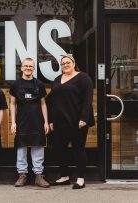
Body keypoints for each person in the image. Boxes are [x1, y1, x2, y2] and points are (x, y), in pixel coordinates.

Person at [48, 54, 95, 189]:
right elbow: (52, 101)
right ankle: (64, 176)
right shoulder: (57, 79)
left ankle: (80, 179)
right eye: (63, 63)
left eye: (68, 62)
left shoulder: (83, 78)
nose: (65, 65)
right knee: (59, 149)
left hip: (77, 121)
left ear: (74, 64)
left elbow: (88, 100)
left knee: (78, 149)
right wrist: (51, 120)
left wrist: (84, 118)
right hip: (59, 122)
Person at [9, 57, 50, 188]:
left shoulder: (39, 84)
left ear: (33, 68)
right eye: (25, 66)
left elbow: (43, 104)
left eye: (30, 66)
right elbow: (12, 103)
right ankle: (22, 175)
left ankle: (38, 176)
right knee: (21, 148)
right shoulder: (15, 85)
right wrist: (13, 122)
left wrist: (46, 122)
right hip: (21, 122)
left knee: (38, 147)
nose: (28, 68)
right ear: (21, 68)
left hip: (38, 122)